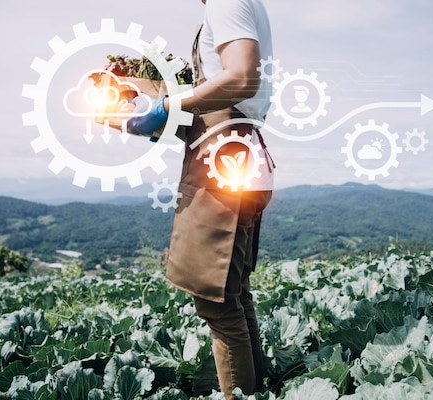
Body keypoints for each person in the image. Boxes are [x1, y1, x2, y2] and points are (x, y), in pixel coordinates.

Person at [128, 0, 274, 398]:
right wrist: (164, 116)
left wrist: (166, 105)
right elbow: (231, 96)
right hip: (242, 152)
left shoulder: (227, 1)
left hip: (221, 160)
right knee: (234, 294)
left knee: (217, 304)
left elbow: (242, 79)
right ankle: (258, 391)